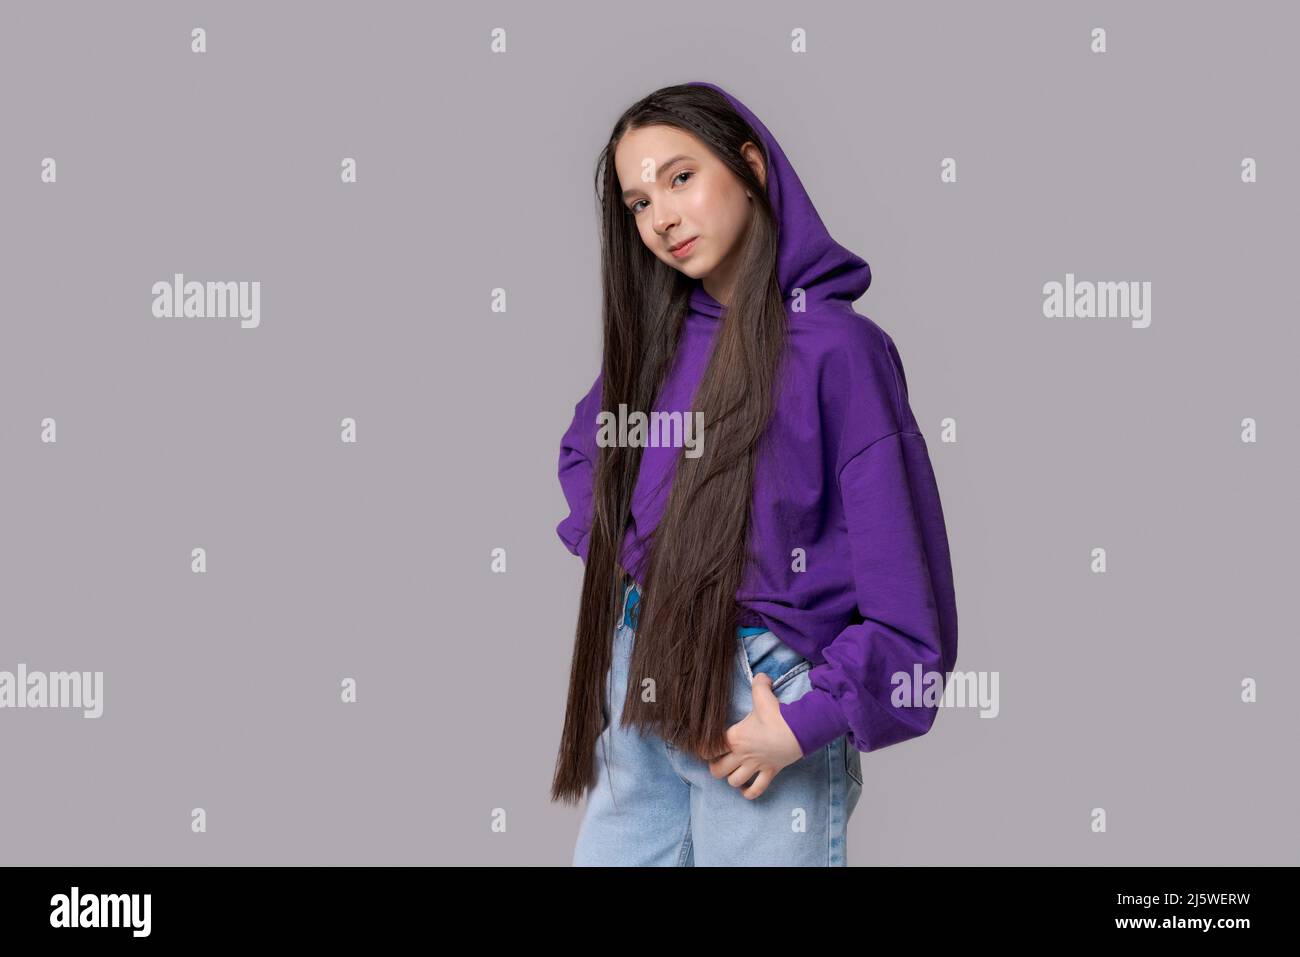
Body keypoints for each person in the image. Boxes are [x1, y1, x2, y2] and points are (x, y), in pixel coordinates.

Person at [550, 81, 958, 866]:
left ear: (751, 169)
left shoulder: (839, 352)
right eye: (637, 202)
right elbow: (590, 457)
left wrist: (803, 722)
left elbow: (907, 598)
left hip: (762, 695)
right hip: (645, 676)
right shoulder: (661, 340)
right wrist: (651, 576)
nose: (660, 218)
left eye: (679, 178)